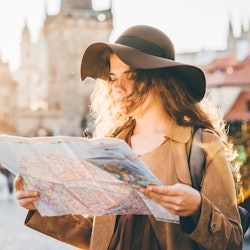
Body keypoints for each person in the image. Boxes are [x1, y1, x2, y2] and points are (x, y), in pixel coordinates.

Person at [14, 25, 243, 249]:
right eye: (113, 78)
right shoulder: (109, 147)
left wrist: (197, 209)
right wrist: (41, 206)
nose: (117, 88)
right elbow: (98, 236)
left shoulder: (201, 145)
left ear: (162, 80)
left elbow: (232, 240)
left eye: (131, 75)